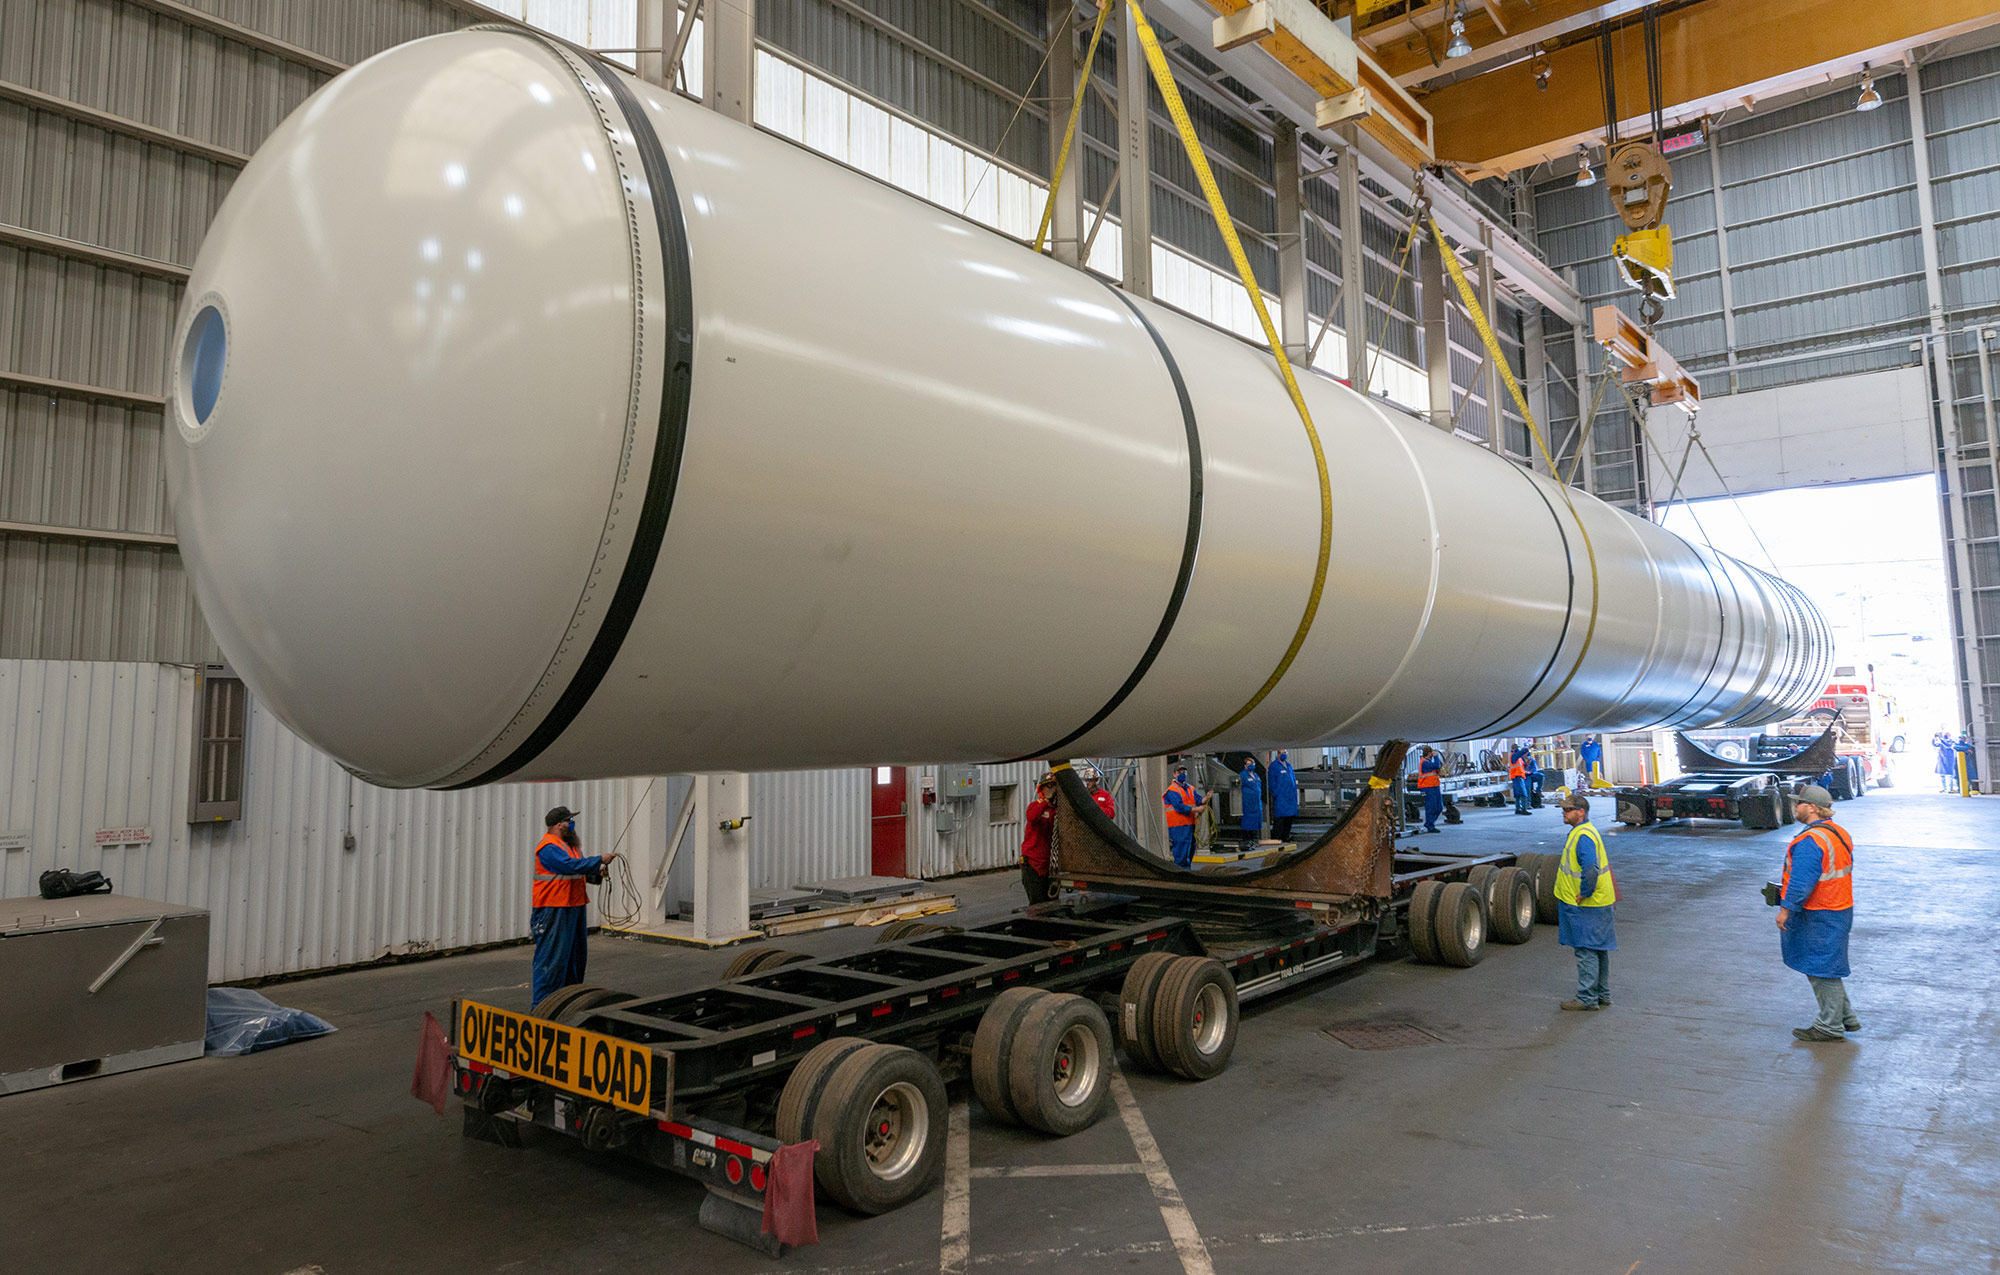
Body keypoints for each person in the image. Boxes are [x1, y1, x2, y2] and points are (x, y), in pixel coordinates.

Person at [1778, 784, 1858, 1042]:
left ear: (1811, 808)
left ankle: (1829, 1026)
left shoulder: (1810, 841)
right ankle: (1845, 1017)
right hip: (1840, 906)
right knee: (1827, 965)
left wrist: (1785, 910)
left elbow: (1801, 883)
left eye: (1799, 803)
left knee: (1820, 969)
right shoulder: (1838, 833)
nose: (1795, 807)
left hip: (1819, 912)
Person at [530, 806, 618, 1008]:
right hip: (553, 909)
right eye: (569, 821)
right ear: (558, 824)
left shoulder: (570, 847)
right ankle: (542, 1009)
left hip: (574, 906)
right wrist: (598, 860)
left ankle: (568, 1004)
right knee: (551, 961)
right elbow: (569, 866)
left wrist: (597, 873)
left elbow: (577, 872)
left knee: (574, 959)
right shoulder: (549, 847)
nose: (572, 825)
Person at [1555, 792, 1615, 1010]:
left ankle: (1587, 998)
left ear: (1581, 812)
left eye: (1568, 809)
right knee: (1598, 949)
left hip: (1587, 904)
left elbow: (1590, 868)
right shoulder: (1584, 832)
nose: (1564, 812)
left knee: (1586, 950)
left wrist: (1585, 892)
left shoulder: (1583, 836)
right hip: (1600, 901)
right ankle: (1602, 994)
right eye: (1563, 809)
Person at [1019, 772, 1059, 903]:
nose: (1052, 790)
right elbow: (1032, 817)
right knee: (1038, 903)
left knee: (1052, 901)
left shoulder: (1056, 811)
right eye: (1048, 786)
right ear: (1042, 789)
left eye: (1054, 786)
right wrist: (1046, 801)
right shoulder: (1035, 806)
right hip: (1033, 864)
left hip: (1050, 865)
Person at [1162, 765, 1208, 868]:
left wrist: (1206, 798)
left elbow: (1198, 800)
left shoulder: (1190, 788)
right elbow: (1179, 807)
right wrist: (1197, 809)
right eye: (1179, 772)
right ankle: (1180, 876)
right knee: (1181, 853)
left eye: (1184, 772)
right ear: (1174, 774)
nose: (1182, 774)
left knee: (1189, 851)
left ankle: (1186, 873)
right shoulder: (1172, 790)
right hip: (1178, 825)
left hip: (1189, 824)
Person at [1268, 750, 1299, 843]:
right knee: (1280, 819)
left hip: (1290, 797)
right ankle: (1277, 838)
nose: (1283, 754)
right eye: (1281, 753)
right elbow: (1271, 782)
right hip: (1281, 797)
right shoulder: (1274, 766)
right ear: (1277, 754)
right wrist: (1276, 793)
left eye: (1285, 752)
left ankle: (1286, 837)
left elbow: (1292, 778)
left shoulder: (1288, 765)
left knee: (1289, 819)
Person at [1413, 745, 1444, 834]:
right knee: (1431, 807)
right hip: (1428, 788)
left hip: (1434, 786)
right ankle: (1430, 825)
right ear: (1430, 753)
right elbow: (1437, 765)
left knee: (1439, 807)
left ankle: (1430, 823)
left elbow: (1438, 765)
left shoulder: (1428, 762)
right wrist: (1436, 756)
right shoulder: (1425, 763)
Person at [1238, 759, 1264, 842]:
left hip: (1256, 803)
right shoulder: (1242, 775)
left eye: (1252, 764)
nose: (1251, 766)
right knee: (1247, 821)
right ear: (1245, 766)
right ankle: (1247, 839)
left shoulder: (1256, 775)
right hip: (1248, 802)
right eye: (1249, 764)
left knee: (1256, 821)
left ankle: (1254, 838)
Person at [1508, 745, 1531, 815]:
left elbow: (1522, 766)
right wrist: (1527, 748)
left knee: (1518, 794)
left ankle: (1518, 809)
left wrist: (1527, 763)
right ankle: (1524, 809)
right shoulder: (1514, 756)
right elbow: (1522, 752)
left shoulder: (1519, 758)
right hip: (1517, 776)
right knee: (1523, 793)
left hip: (1518, 776)